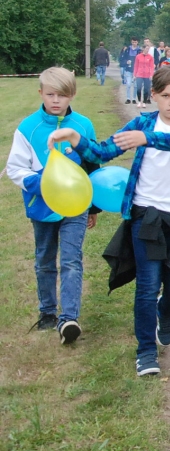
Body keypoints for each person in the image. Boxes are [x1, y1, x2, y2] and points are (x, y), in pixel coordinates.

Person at [50, 65, 170, 377]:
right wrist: (74, 137)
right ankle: (146, 352)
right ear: (154, 95)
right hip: (145, 216)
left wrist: (145, 138)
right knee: (147, 286)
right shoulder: (141, 123)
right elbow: (103, 150)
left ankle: (165, 314)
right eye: (165, 96)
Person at [6, 67, 99, 344]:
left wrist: (92, 206)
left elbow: (92, 166)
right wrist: (45, 186)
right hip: (42, 207)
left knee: (71, 260)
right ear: (41, 94)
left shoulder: (83, 126)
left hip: (75, 208)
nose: (56, 100)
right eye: (50, 94)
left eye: (62, 95)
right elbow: (15, 169)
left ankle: (68, 317)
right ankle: (47, 311)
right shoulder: (27, 128)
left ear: (72, 95)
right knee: (45, 261)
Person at [120, 38, 141, 104]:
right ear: (131, 42)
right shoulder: (127, 50)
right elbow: (122, 59)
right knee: (128, 84)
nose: (134, 43)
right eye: (133, 42)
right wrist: (126, 62)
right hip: (128, 69)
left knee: (135, 85)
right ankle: (128, 98)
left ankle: (134, 98)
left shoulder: (139, 51)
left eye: (135, 42)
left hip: (136, 70)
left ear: (137, 42)